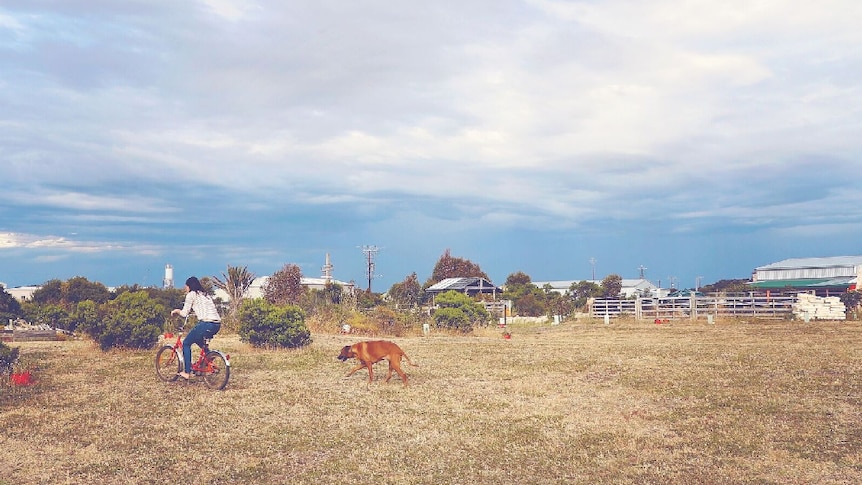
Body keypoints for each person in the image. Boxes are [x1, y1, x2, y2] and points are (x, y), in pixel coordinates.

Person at [170, 276, 221, 380]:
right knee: (198, 339)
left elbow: (184, 313)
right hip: (217, 324)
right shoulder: (205, 294)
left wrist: (176, 311)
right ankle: (208, 355)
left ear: (189, 286)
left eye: (186, 286)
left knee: (186, 343)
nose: (185, 288)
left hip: (206, 323)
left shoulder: (191, 295)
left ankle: (187, 372)